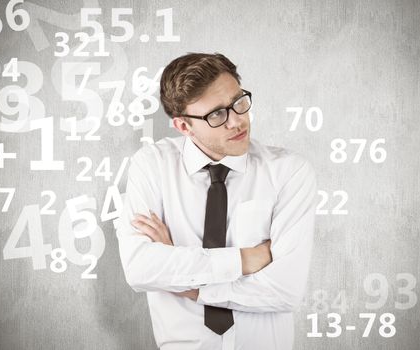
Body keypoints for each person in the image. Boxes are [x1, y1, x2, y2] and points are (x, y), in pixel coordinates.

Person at [115, 52, 317, 350]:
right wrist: (245, 259)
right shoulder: (152, 166)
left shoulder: (288, 171)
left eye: (239, 102)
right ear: (184, 126)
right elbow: (140, 268)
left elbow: (285, 290)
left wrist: (186, 283)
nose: (237, 121)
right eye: (216, 114)